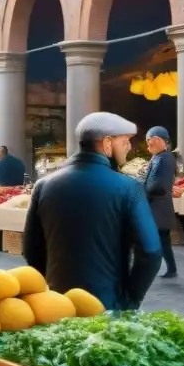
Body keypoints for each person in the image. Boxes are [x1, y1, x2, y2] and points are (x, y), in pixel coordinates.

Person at [23, 112, 162, 311]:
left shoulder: (43, 185)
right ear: (107, 143)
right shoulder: (128, 188)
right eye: (125, 141)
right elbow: (151, 252)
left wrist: (50, 290)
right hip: (107, 306)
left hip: (56, 306)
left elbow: (30, 250)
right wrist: (130, 300)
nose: (129, 147)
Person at [143, 126, 179, 278]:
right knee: (162, 240)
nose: (147, 145)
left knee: (155, 239)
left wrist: (141, 190)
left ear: (157, 140)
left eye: (149, 141)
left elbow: (157, 184)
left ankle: (155, 268)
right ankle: (171, 269)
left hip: (157, 208)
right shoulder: (161, 157)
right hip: (159, 207)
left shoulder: (163, 159)